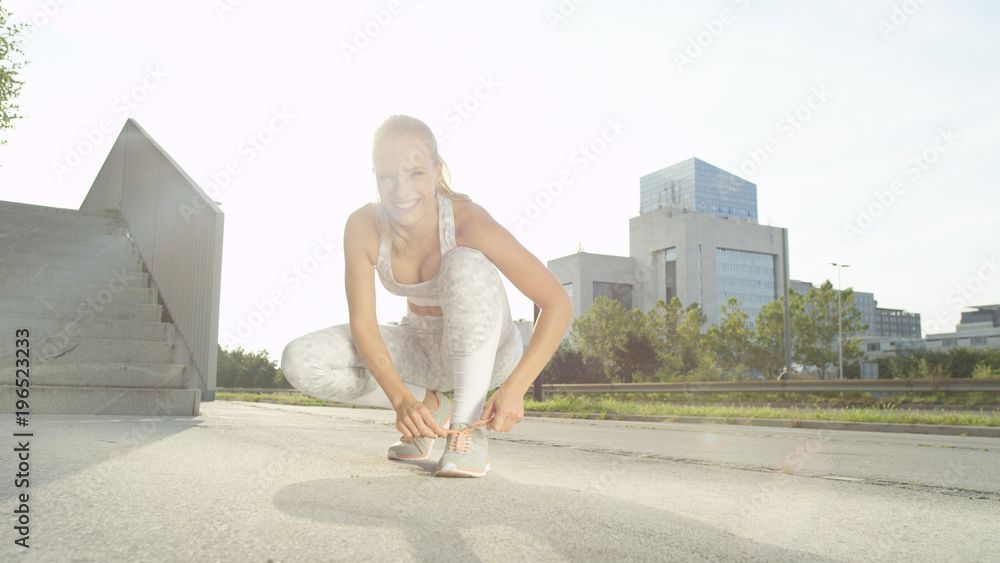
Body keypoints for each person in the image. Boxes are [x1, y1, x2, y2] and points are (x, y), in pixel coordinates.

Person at [280, 114, 573, 477]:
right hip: (419, 349)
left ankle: (466, 432)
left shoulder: (469, 222)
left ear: (437, 172)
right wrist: (403, 400)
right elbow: (364, 325)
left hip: (490, 353)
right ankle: (432, 406)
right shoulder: (362, 226)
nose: (401, 191)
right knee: (300, 360)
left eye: (415, 173)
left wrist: (516, 387)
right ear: (374, 175)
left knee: (464, 261)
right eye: (387, 176)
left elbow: (557, 303)